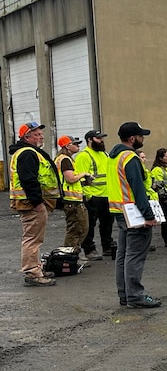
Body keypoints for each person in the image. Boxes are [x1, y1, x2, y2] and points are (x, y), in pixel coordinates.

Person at [108, 121, 160, 307]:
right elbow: (137, 188)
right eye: (140, 136)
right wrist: (149, 215)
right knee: (135, 256)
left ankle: (125, 294)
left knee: (123, 255)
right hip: (134, 213)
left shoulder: (113, 156)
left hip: (120, 211)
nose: (143, 138)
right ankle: (135, 296)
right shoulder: (130, 158)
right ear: (132, 138)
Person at [9, 121, 60, 287]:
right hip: (31, 204)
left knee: (35, 238)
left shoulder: (28, 152)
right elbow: (29, 180)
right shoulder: (28, 153)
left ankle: (36, 269)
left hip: (29, 203)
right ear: (27, 137)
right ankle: (32, 272)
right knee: (32, 239)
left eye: (40, 133)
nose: (41, 136)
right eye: (37, 134)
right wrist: (38, 202)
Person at [74, 129, 113, 261]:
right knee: (89, 225)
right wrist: (88, 196)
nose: (102, 141)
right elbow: (81, 177)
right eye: (98, 138)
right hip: (93, 197)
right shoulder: (84, 156)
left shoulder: (105, 155)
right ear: (90, 140)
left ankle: (107, 246)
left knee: (107, 223)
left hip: (107, 195)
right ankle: (89, 249)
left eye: (102, 138)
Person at [54, 135, 92, 253]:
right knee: (76, 229)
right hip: (71, 200)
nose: (78, 146)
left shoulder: (64, 159)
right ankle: (69, 254)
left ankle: (72, 254)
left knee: (79, 228)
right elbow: (70, 179)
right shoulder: (65, 159)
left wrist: (83, 182)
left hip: (72, 200)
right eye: (75, 144)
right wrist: (84, 174)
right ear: (67, 146)